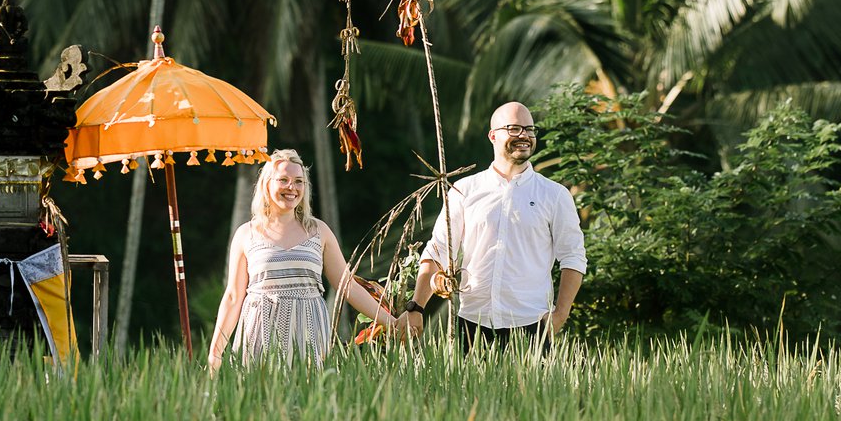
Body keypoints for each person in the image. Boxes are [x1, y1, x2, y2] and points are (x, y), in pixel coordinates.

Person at [403, 101, 586, 353]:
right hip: (471, 324)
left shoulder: (554, 195)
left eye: (530, 129)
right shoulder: (464, 190)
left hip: (531, 326)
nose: (524, 135)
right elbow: (438, 250)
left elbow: (573, 257)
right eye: (514, 128)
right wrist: (417, 307)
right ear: (492, 136)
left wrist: (560, 315)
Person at [208, 149, 404, 368]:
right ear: (266, 184)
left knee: (308, 389)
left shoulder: (319, 231)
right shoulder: (247, 233)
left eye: (298, 181)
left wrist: (392, 323)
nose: (292, 187)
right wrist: (215, 352)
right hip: (259, 332)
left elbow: (347, 286)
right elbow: (233, 297)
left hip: (309, 331)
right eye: (283, 180)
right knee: (259, 389)